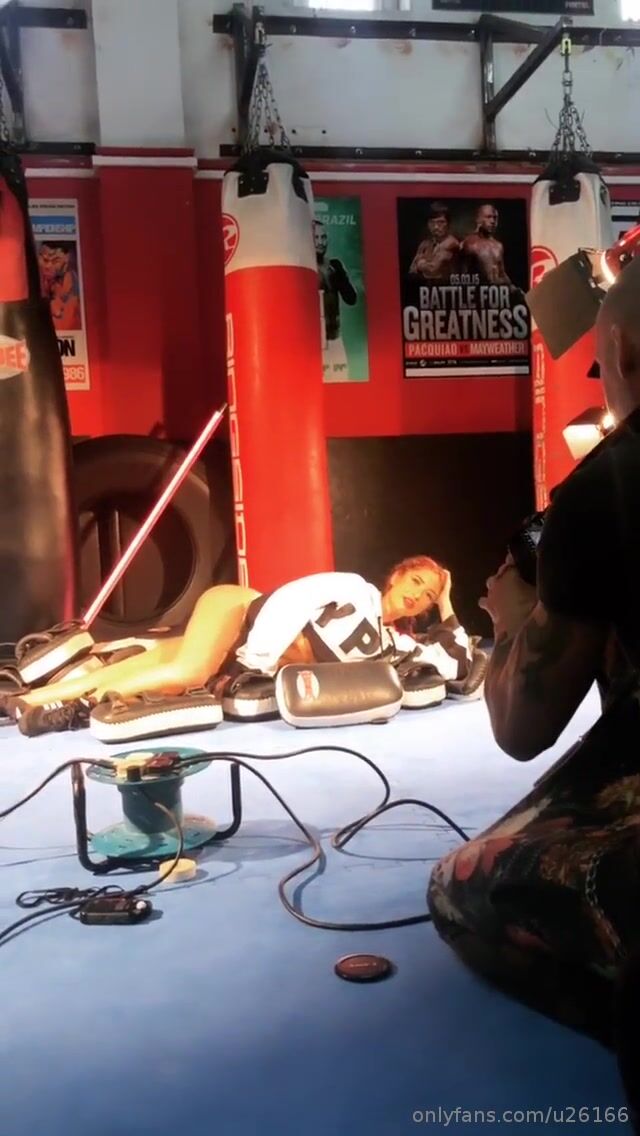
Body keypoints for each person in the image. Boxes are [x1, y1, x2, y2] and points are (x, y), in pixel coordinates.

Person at [427, 258, 640, 1115]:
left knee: (459, 887)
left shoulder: (611, 486)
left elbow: (523, 727)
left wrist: (513, 618)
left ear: (622, 350)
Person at [9, 556, 474, 736]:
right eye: (416, 581)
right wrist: (257, 660)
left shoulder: (392, 646)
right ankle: (67, 711)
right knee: (186, 674)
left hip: (239, 646)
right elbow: (293, 597)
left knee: (155, 668)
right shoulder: (354, 588)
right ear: (396, 576)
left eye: (428, 594)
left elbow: (457, 662)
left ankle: (28, 700)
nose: (418, 593)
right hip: (238, 611)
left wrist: (449, 602)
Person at [314, 219, 357, 381]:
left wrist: (340, 275)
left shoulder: (334, 266)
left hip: (336, 340)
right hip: (314, 344)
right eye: (316, 237)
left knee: (341, 384)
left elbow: (351, 299)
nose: (320, 242)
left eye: (323, 237)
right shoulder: (304, 269)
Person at [461, 204, 512, 287]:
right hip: (478, 291)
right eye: (488, 217)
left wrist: (512, 287)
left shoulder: (498, 246)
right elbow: (462, 276)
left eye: (495, 218)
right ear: (478, 219)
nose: (492, 221)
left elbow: (502, 273)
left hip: (496, 292)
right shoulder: (470, 244)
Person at [409, 202, 460, 281]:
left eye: (441, 222)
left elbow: (432, 270)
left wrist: (420, 263)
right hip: (426, 286)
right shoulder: (425, 244)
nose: (436, 227)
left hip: (447, 285)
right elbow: (412, 270)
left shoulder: (451, 243)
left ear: (448, 224)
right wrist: (422, 265)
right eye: (432, 222)